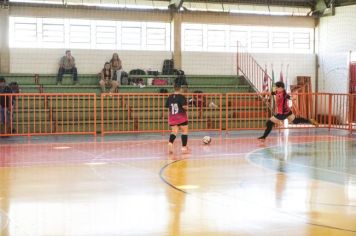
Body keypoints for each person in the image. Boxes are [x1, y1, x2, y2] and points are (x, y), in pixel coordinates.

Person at [166, 83, 189, 154]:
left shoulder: (169, 97)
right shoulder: (182, 97)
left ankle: (170, 142)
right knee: (184, 131)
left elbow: (168, 106)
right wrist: (187, 107)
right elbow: (184, 107)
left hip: (172, 116)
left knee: (174, 131)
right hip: (181, 116)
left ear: (174, 88)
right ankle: (184, 147)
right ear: (180, 89)